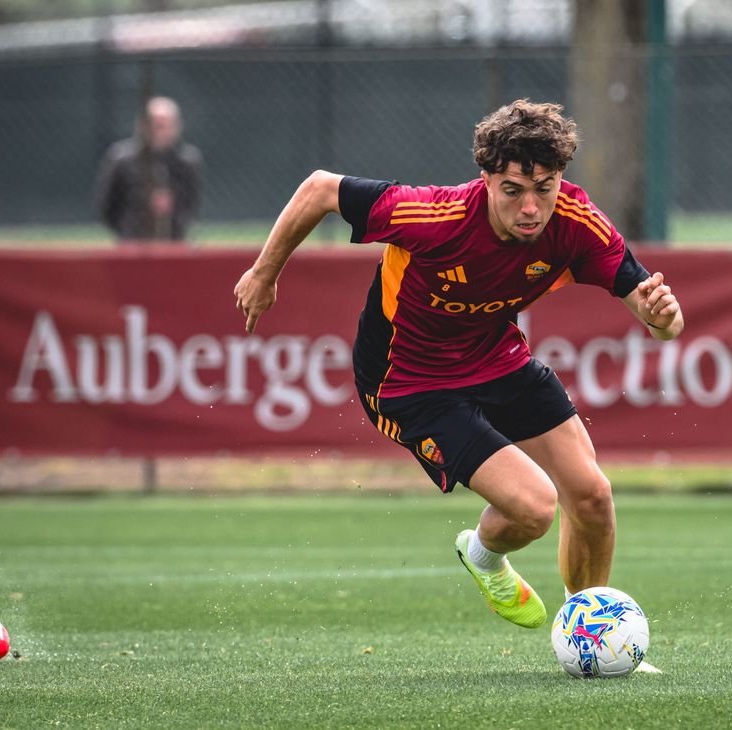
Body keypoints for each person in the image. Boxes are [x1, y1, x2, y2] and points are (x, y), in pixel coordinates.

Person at [233, 99, 684, 631]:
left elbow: (660, 322)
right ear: (487, 180)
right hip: (407, 382)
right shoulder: (434, 216)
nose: (531, 209)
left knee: (591, 495)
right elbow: (319, 188)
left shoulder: (578, 223)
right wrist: (265, 273)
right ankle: (483, 555)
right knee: (536, 508)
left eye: (545, 188)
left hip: (496, 357)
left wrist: (663, 319)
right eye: (513, 191)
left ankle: (590, 629)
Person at [95, 96, 203, 242]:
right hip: (133, 242)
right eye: (154, 125)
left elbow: (192, 204)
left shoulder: (187, 161)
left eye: (165, 125)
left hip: (175, 240)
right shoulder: (121, 159)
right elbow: (106, 206)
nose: (158, 131)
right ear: (142, 126)